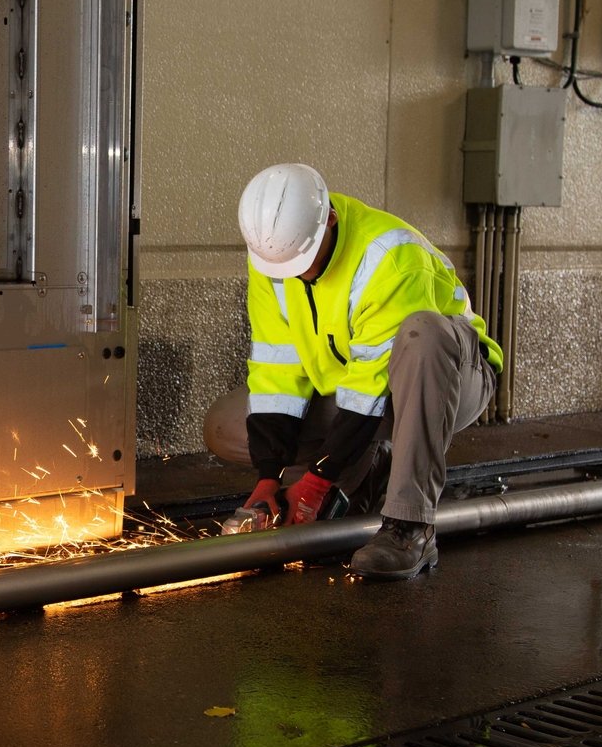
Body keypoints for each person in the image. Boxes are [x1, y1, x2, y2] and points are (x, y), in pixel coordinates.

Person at [203, 163, 502, 580]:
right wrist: (269, 476)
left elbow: (369, 387)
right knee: (227, 423)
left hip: (446, 380)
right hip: (356, 385)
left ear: (330, 218)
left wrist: (320, 476)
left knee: (424, 333)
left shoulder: (389, 256)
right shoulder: (274, 257)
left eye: (303, 262)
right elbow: (277, 367)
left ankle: (411, 527)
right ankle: (366, 479)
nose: (297, 274)